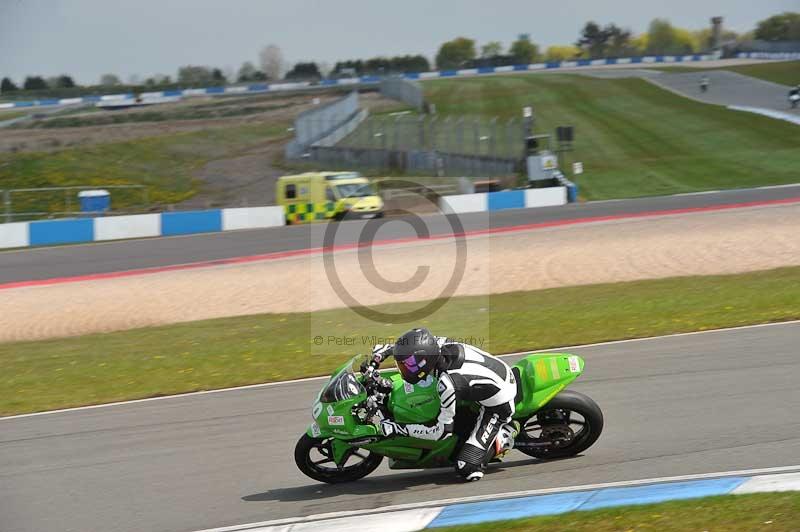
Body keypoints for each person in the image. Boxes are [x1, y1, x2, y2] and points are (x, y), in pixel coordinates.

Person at [371, 328, 518, 481]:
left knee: (466, 468)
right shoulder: (438, 345)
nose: (405, 369)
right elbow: (416, 346)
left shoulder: (448, 384)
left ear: (424, 361)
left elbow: (440, 432)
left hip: (499, 404)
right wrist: (384, 352)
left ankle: (508, 432)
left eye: (408, 365)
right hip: (494, 374)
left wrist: (397, 428)